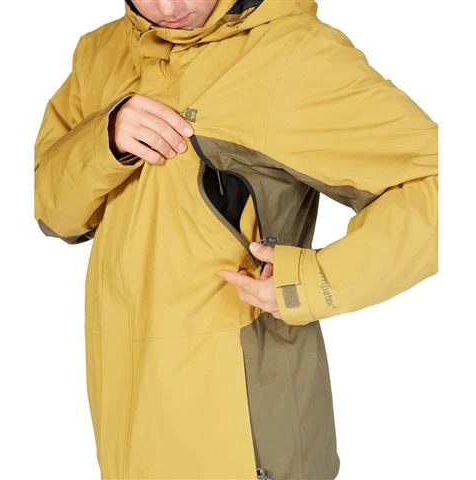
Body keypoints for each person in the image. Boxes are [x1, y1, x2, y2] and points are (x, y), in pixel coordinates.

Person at [33, 0, 438, 479]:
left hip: (244, 432)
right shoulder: (100, 53)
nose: (168, 7)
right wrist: (104, 138)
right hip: (128, 419)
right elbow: (53, 212)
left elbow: (438, 180)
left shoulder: (294, 55)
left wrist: (315, 282)